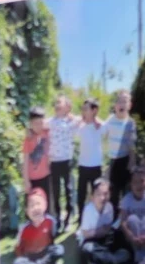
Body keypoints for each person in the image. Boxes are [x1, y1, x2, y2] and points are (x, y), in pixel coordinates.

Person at [76, 178, 130, 264]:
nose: (102, 198)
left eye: (105, 194)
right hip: (90, 240)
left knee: (121, 239)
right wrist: (99, 231)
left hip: (104, 240)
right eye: (99, 194)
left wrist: (102, 231)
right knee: (88, 249)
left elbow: (108, 228)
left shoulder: (109, 207)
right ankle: (114, 261)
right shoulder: (88, 209)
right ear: (92, 196)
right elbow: (86, 234)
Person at [11, 189, 62, 264]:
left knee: (59, 249)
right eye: (31, 205)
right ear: (27, 211)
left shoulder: (51, 221)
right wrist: (23, 259)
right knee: (17, 263)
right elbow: (18, 248)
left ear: (45, 205)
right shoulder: (24, 228)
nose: (35, 208)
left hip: (45, 255)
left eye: (38, 204)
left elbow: (52, 238)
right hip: (30, 257)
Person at [45, 94, 77, 231]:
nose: (58, 105)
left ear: (67, 107)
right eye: (56, 103)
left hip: (66, 161)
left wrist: (71, 115)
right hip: (54, 162)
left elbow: (84, 120)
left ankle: (68, 219)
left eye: (61, 103)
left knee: (68, 190)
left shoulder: (71, 122)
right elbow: (37, 124)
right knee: (56, 192)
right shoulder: (50, 122)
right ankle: (58, 220)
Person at [119, 166, 145, 264]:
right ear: (131, 184)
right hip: (134, 236)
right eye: (135, 182)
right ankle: (141, 257)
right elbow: (123, 222)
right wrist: (131, 237)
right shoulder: (126, 199)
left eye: (141, 181)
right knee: (132, 219)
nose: (138, 185)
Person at [103, 90, 136, 205]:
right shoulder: (110, 120)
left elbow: (132, 144)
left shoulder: (130, 123)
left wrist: (132, 162)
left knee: (126, 192)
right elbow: (102, 134)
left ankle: (126, 214)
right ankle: (114, 213)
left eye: (124, 101)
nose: (121, 104)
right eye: (119, 101)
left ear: (129, 105)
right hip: (113, 160)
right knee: (113, 192)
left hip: (125, 160)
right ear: (115, 105)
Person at [75, 97, 105, 206]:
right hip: (83, 165)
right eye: (82, 109)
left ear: (94, 110)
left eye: (86, 109)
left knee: (97, 194)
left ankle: (97, 214)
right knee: (81, 195)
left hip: (96, 165)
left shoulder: (100, 126)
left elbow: (106, 129)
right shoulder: (80, 126)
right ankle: (81, 215)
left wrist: (96, 119)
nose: (83, 111)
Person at [21, 108, 52, 210]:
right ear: (30, 123)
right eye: (35, 123)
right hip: (32, 179)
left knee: (45, 205)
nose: (38, 126)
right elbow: (25, 161)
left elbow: (55, 121)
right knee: (31, 205)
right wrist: (26, 181)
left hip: (46, 176)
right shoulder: (28, 139)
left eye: (40, 123)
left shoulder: (47, 132)